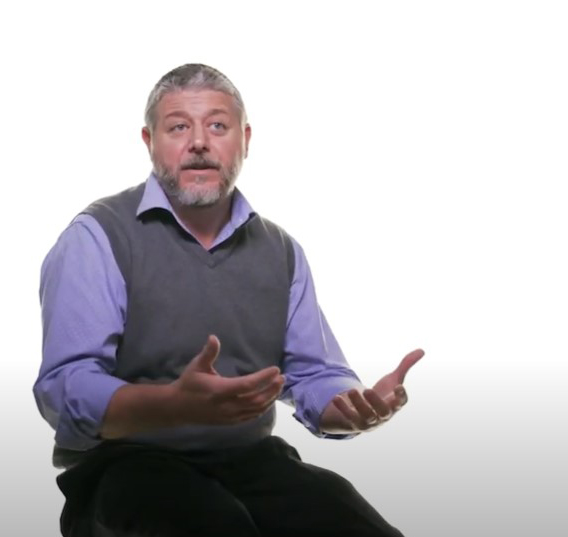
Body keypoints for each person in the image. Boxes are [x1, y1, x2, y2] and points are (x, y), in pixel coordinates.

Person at [34, 63, 424, 537]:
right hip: (124, 466)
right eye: (179, 127)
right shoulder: (97, 237)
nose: (199, 142)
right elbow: (65, 390)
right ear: (149, 141)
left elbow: (313, 372)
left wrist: (348, 407)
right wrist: (170, 405)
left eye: (217, 126)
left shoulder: (279, 250)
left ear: (245, 139)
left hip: (248, 460)